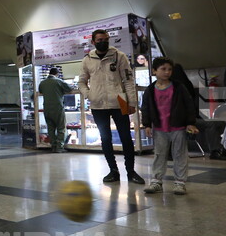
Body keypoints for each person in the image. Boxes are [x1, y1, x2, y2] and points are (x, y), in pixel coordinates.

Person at [79, 29, 145, 184]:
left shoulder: (119, 56)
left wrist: (132, 103)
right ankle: (113, 171)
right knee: (105, 138)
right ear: (93, 42)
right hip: (98, 104)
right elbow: (81, 82)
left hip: (120, 101)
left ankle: (131, 172)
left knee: (126, 138)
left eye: (106, 39)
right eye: (100, 39)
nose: (104, 41)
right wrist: (89, 94)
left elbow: (128, 80)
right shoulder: (87, 60)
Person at [140, 57, 199, 195]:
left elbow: (189, 104)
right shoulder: (150, 90)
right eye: (163, 69)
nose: (167, 72)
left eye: (169, 69)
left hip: (178, 127)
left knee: (180, 154)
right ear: (154, 71)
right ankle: (156, 181)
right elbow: (146, 108)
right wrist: (147, 125)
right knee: (159, 154)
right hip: (159, 128)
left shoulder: (178, 87)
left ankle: (180, 183)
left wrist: (190, 122)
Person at [38, 66, 72, 153]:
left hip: (47, 108)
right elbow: (70, 88)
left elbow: (41, 91)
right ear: (57, 74)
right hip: (57, 108)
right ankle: (59, 147)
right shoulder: (58, 81)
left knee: (50, 128)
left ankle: (53, 146)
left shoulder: (42, 83)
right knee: (61, 128)